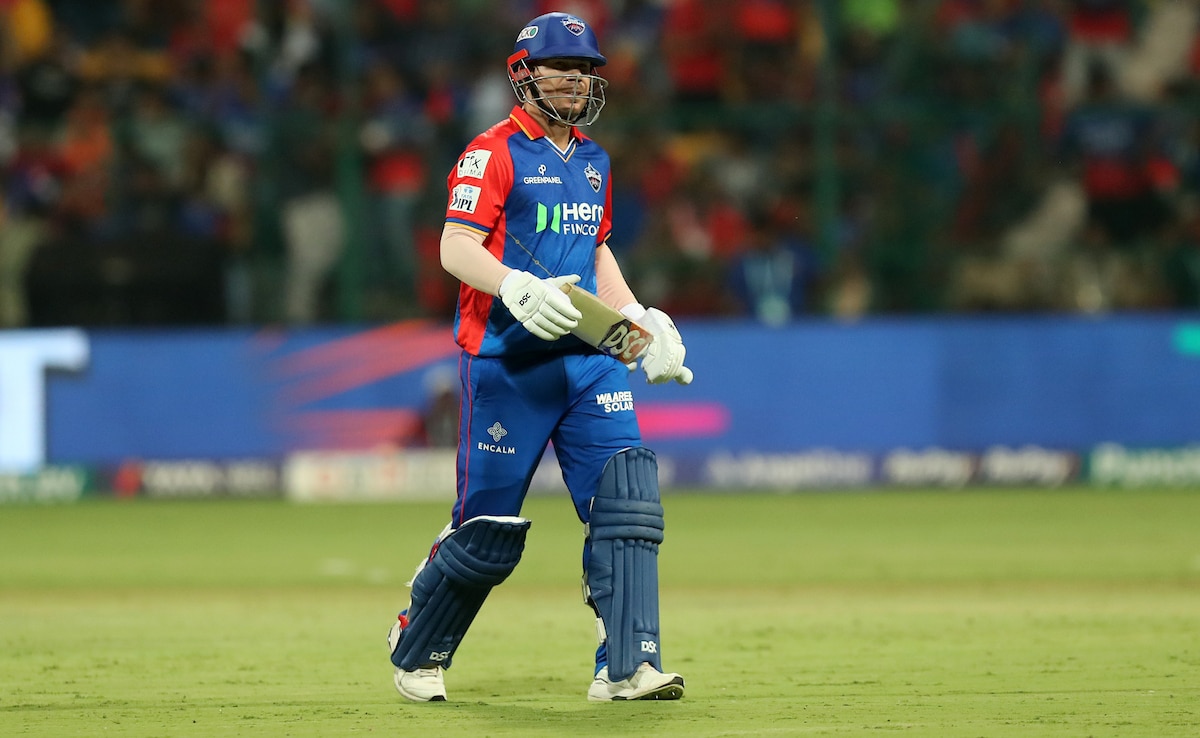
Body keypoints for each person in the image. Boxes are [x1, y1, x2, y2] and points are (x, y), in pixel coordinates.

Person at [386, 11, 693, 703]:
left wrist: (637, 317)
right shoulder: (490, 152)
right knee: (487, 529)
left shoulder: (594, 160)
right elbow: (455, 246)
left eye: (585, 70)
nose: (576, 81)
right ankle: (418, 645)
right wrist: (512, 285)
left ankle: (628, 665)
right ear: (523, 75)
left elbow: (596, 250)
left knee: (627, 502)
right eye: (561, 68)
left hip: (587, 359)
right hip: (508, 363)